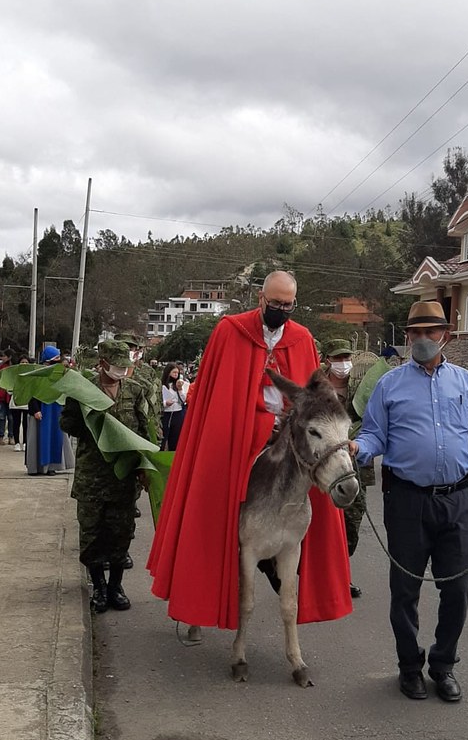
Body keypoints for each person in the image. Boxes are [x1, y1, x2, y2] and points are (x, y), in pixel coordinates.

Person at [146, 270, 352, 630]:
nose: (281, 310)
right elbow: (214, 394)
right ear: (261, 299)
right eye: (276, 303)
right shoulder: (230, 331)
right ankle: (199, 603)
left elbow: (313, 398)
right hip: (236, 433)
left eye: (288, 305)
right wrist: (254, 421)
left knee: (312, 487)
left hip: (286, 435)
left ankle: (292, 578)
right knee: (212, 504)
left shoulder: (302, 338)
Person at [351, 301, 468, 704]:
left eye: (429, 332)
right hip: (406, 500)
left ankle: (443, 664)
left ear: (445, 336)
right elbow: (374, 435)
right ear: (407, 337)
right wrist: (357, 448)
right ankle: (409, 667)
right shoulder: (389, 385)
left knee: (459, 589)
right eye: (415, 332)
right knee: (405, 590)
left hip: (457, 501)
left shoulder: (466, 384)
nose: (422, 339)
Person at [60, 340, 150, 613]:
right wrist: (89, 421)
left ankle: (115, 587)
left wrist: (145, 467)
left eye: (125, 366)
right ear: (102, 364)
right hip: (92, 476)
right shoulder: (83, 390)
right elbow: (66, 423)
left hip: (123, 477)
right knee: (92, 534)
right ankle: (98, 587)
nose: (121, 371)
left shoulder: (135, 390)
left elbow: (145, 430)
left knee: (121, 534)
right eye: (117, 366)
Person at [322, 339, 391, 600]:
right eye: (338, 358)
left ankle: (341, 574)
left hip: (355, 465)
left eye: (346, 358)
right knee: (319, 523)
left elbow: (374, 422)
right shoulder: (316, 385)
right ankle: (313, 575)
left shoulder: (362, 387)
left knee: (351, 521)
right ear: (327, 360)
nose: (343, 363)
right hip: (323, 467)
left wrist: (359, 440)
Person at [26, 345, 69, 475]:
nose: (57, 360)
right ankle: (36, 467)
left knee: (55, 438)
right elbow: (31, 393)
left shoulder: (59, 373)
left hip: (55, 409)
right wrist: (35, 410)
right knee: (37, 439)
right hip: (41, 409)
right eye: (55, 358)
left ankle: (52, 467)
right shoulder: (38, 373)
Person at [160, 363, 188, 451]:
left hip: (177, 413)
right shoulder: (163, 385)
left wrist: (180, 389)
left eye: (177, 373)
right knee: (163, 437)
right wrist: (165, 403)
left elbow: (184, 400)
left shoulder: (180, 384)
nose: (176, 375)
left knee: (175, 437)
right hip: (166, 413)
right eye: (174, 372)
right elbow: (158, 400)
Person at [9, 355, 31, 451]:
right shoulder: (14, 374)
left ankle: (25, 442)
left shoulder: (32, 375)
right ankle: (17, 443)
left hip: (27, 403)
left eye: (26, 362)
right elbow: (9, 389)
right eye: (22, 362)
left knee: (26, 424)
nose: (24, 364)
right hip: (15, 403)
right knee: (16, 423)